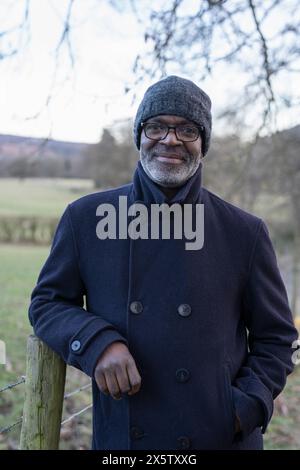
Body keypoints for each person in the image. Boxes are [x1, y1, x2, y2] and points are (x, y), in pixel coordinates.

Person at [29, 75, 298, 450]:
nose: (170, 139)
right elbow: (47, 303)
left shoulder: (244, 231)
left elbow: (277, 338)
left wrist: (245, 407)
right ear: (140, 135)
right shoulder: (85, 219)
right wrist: (96, 343)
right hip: (126, 441)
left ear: (203, 144)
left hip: (220, 439)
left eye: (187, 129)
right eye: (156, 126)